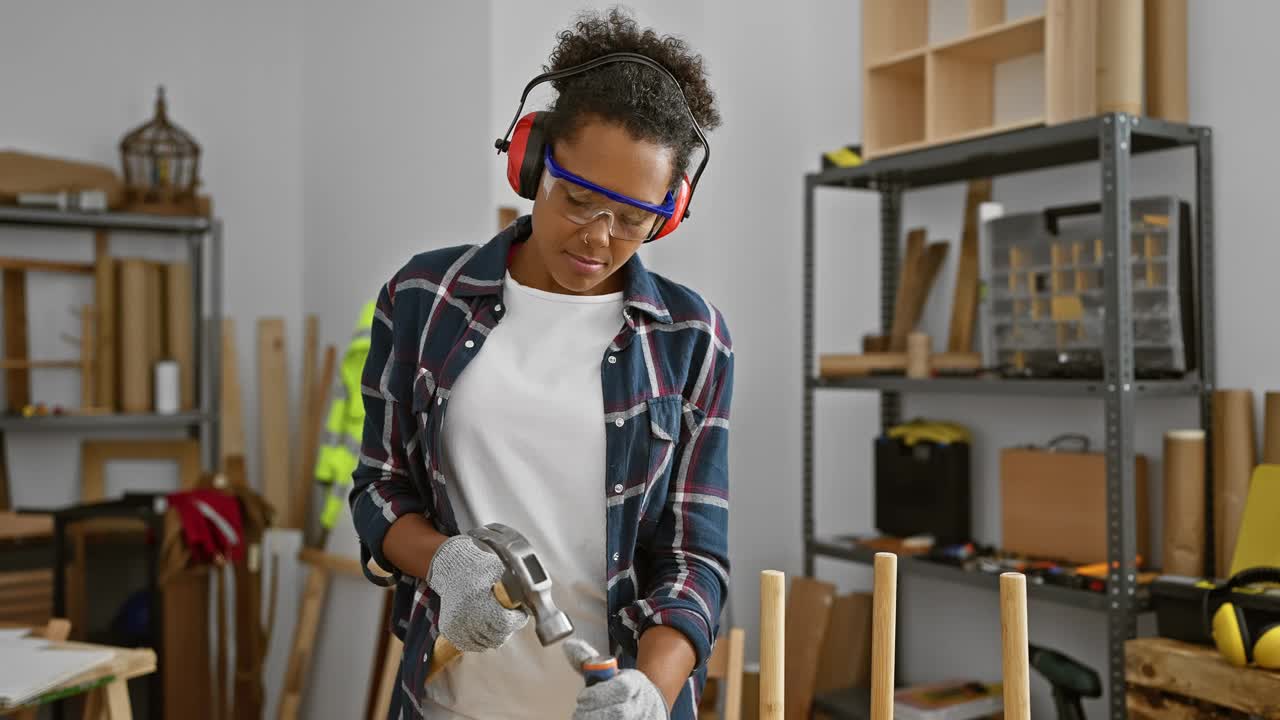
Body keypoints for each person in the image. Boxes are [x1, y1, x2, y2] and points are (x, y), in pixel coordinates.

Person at [349, 7, 732, 719]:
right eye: (578, 199)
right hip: (448, 701)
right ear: (531, 161)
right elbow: (378, 491)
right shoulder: (423, 299)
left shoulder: (690, 338)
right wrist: (444, 562)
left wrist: (653, 691)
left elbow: (693, 561)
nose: (597, 236)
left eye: (632, 219)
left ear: (669, 213)